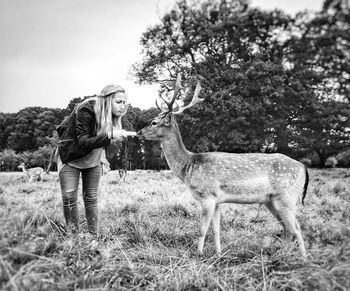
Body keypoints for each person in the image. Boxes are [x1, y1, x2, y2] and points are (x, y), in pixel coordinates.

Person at [57, 84, 136, 236]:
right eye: (118, 102)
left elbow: (105, 144)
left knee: (91, 198)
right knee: (69, 198)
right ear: (107, 101)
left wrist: (105, 158)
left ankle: (95, 237)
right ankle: (73, 238)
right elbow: (83, 141)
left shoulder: (113, 115)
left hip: (93, 160)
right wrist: (110, 135)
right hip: (71, 157)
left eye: (124, 102)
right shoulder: (86, 109)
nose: (123, 106)